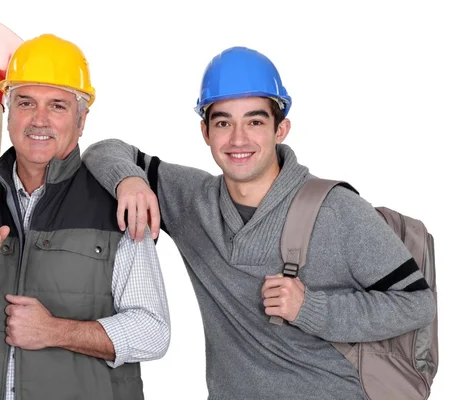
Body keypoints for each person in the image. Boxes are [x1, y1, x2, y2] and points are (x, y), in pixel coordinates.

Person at [81, 46, 436, 399]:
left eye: (254, 121)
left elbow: (418, 304)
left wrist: (310, 308)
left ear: (281, 129)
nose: (238, 139)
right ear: (205, 133)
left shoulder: (337, 211)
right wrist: (129, 179)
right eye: (223, 123)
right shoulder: (193, 200)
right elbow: (103, 149)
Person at [0, 33, 170, 400]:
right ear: (8, 110)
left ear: (81, 120)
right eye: (26, 102)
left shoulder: (116, 207)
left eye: (58, 106)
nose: (39, 120)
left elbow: (153, 331)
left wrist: (55, 332)